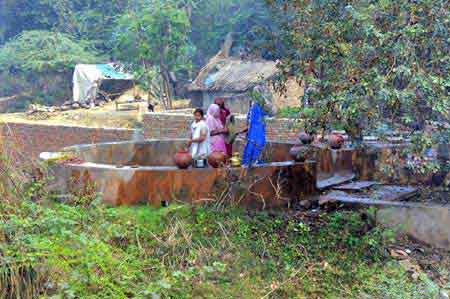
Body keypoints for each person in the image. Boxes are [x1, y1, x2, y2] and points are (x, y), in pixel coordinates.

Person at [241, 86, 273, 167]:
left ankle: (253, 160)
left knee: (257, 142)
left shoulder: (261, 102)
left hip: (258, 126)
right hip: (255, 127)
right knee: (255, 142)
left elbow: (271, 111)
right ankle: (251, 161)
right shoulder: (254, 103)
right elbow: (249, 116)